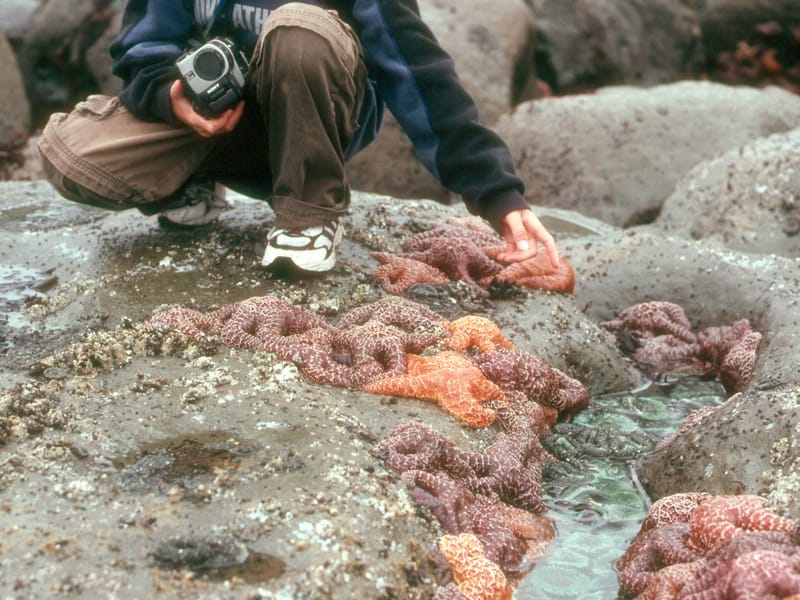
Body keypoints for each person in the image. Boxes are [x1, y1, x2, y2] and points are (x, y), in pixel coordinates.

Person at [39, 0, 560, 275]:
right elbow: (143, 45)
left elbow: (418, 73)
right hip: (215, 121)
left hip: (316, 109)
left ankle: (309, 212)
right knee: (73, 158)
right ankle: (193, 182)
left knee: (298, 26)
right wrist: (169, 94)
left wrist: (496, 193)